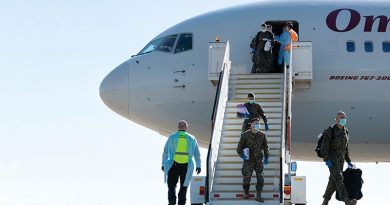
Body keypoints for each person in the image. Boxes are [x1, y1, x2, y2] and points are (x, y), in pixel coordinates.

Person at [321, 111, 357, 205]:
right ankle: (347, 201)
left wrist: (349, 161)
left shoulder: (346, 131)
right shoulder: (331, 130)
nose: (343, 120)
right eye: (341, 118)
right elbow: (324, 147)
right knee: (339, 179)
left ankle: (325, 202)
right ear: (336, 119)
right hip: (332, 160)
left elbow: (346, 148)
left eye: (344, 118)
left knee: (333, 182)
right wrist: (327, 159)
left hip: (341, 161)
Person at [162, 120, 201, 205]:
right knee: (184, 186)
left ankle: (172, 201)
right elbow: (197, 154)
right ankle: (181, 203)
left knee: (171, 185)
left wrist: (163, 164)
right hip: (186, 166)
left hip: (173, 164)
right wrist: (198, 165)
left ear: (178, 127)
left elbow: (165, 152)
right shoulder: (192, 138)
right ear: (186, 128)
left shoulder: (172, 137)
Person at [237, 118, 270, 202]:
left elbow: (266, 147)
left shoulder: (262, 135)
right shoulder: (245, 135)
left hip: (259, 160)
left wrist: (266, 157)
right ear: (251, 125)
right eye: (255, 123)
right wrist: (242, 156)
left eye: (258, 124)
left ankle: (259, 195)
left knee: (260, 178)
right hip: (248, 160)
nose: (257, 125)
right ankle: (246, 192)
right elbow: (239, 147)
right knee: (246, 178)